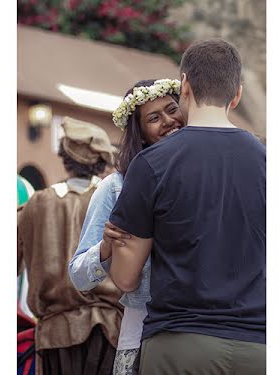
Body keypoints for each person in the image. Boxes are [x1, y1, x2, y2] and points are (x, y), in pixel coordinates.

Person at [105, 39, 266, 374]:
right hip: (260, 345)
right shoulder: (271, 163)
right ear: (236, 95)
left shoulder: (151, 163)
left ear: (185, 86)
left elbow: (125, 277)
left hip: (179, 343)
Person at [69, 78, 185, 375]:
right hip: (143, 325)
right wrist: (106, 248)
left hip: (202, 327)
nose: (169, 121)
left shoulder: (206, 174)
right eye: (154, 118)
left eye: (172, 110)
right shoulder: (116, 187)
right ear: (140, 133)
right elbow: (80, 277)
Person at [18, 116, 123, 375]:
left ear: (65, 157)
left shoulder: (36, 203)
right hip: (110, 331)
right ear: (100, 160)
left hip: (55, 335)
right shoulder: (116, 199)